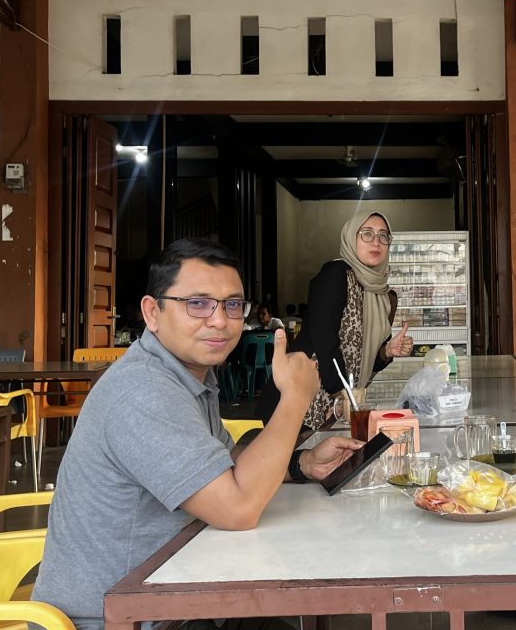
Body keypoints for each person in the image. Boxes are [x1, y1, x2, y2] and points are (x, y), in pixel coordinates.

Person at [33, 238, 364, 630]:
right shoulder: (142, 389)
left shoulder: (186, 377)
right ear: (152, 312)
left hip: (172, 596)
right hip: (115, 617)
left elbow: (224, 466)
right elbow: (237, 509)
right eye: (198, 303)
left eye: (232, 305)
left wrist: (302, 463)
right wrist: (295, 397)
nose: (220, 320)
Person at [255, 211, 414, 430]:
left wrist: (387, 351)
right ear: (351, 237)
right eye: (367, 234)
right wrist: (340, 396)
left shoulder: (385, 298)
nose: (376, 242)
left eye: (383, 236)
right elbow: (325, 341)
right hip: (301, 398)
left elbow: (366, 363)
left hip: (343, 404)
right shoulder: (335, 274)